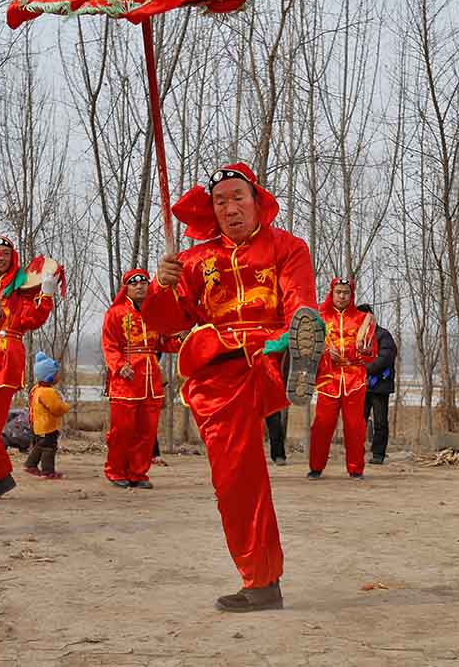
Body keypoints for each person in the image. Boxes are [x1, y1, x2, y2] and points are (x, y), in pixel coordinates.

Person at [144, 161, 325, 613]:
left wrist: (294, 335)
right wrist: (160, 288)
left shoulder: (287, 247)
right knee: (236, 477)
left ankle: (298, 361)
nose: (229, 207)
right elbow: (166, 326)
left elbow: (299, 300)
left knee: (295, 331)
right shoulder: (192, 261)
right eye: (220, 201)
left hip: (270, 350)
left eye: (237, 197)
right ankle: (261, 581)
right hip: (218, 368)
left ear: (257, 201)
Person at [0, 236, 57, 507]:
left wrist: (47, 294)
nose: (1, 258)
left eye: (6, 253)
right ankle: (2, 475)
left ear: (12, 257)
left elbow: (33, 319)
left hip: (4, 359)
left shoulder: (22, 288)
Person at [101, 269, 179, 489]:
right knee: (122, 429)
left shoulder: (155, 312)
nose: (139, 286)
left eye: (144, 282)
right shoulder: (115, 313)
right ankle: (115, 471)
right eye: (134, 283)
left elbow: (165, 342)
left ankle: (138, 473)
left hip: (151, 379)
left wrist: (182, 337)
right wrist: (119, 366)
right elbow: (109, 345)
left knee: (147, 430)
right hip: (126, 379)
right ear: (126, 288)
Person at [308, 278, 376, 479]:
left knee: (355, 426)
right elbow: (308, 347)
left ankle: (356, 469)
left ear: (351, 294)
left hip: (354, 379)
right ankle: (316, 467)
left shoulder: (363, 319)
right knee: (322, 425)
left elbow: (372, 354)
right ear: (332, 292)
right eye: (338, 292)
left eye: (346, 292)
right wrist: (326, 352)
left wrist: (363, 351)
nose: (342, 296)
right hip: (328, 379)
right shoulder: (319, 317)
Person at [356, 303, 397, 465]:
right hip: (360, 386)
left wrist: (365, 370)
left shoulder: (383, 335)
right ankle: (356, 452)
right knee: (359, 421)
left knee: (380, 422)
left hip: (379, 385)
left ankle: (378, 454)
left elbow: (385, 357)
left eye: (363, 318)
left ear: (371, 317)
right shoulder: (356, 337)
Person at [24, 352, 68, 478]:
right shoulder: (48, 392)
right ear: (49, 377)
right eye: (56, 374)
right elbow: (57, 408)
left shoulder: (35, 389)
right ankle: (48, 471)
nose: (58, 376)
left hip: (36, 425)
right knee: (49, 447)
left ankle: (30, 465)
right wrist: (66, 407)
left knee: (40, 445)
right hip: (47, 426)